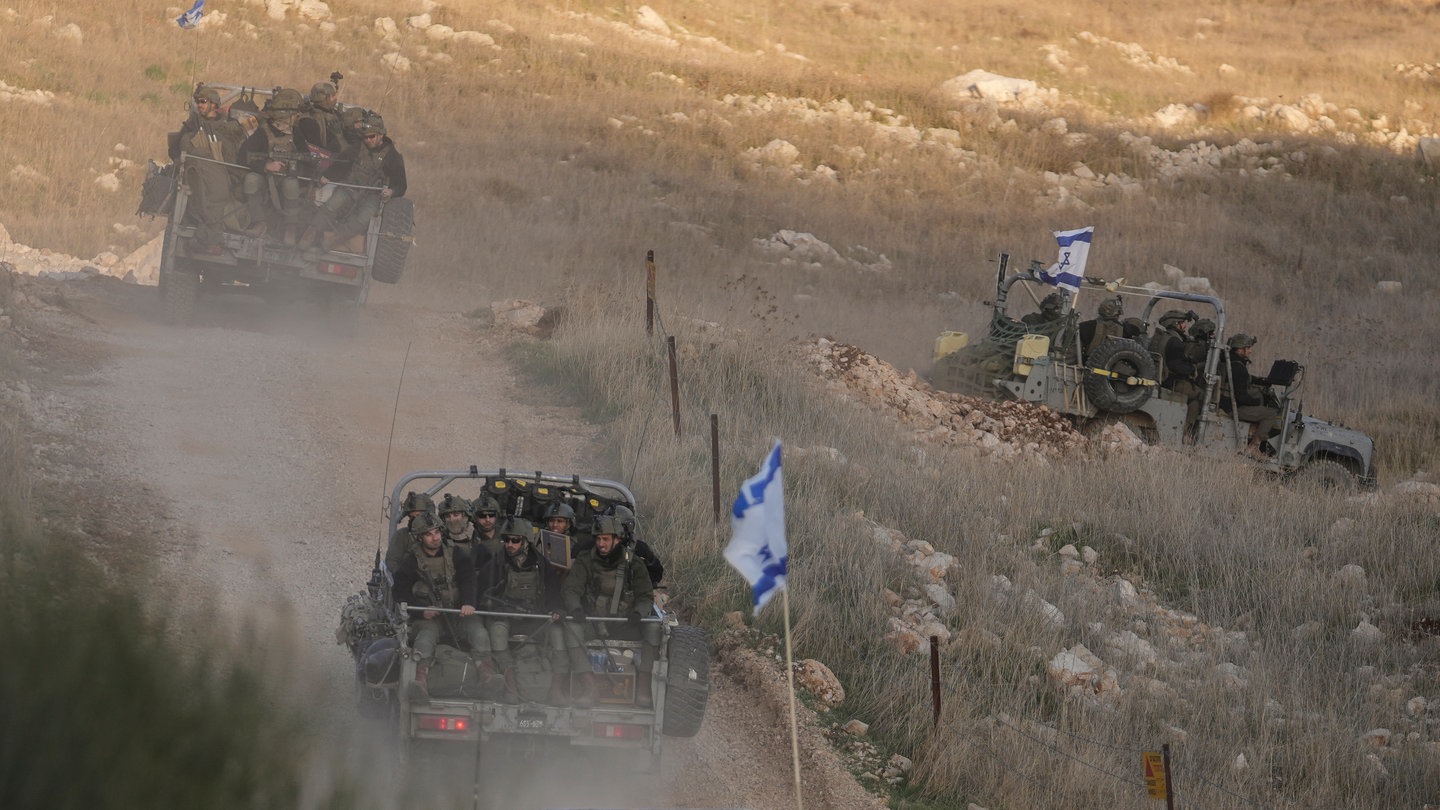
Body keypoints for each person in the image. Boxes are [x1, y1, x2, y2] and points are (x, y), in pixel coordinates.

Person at [560, 516, 661, 708]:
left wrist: (638, 614)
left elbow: (645, 596)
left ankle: (643, 687)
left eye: (605, 539)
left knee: (654, 628)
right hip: (593, 623)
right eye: (598, 539)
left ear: (617, 539)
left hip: (626, 624)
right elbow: (571, 589)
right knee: (570, 627)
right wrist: (576, 608)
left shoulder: (634, 563)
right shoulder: (585, 560)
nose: (601, 544)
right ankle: (589, 686)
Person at [390, 512, 492, 697]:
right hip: (430, 618)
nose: (435, 537)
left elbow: (468, 578)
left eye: (437, 532)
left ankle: (485, 674)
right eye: (429, 534)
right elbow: (399, 592)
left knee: (479, 633)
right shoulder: (412, 560)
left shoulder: (455, 553)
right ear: (420, 537)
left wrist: (468, 603)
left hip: (457, 613)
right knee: (425, 638)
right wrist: (422, 612)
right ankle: (421, 680)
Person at [483, 517, 566, 704]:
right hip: (505, 618)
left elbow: (554, 593)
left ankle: (556, 689)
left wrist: (557, 611)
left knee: (559, 634)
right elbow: (483, 595)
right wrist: (500, 608)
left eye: (515, 540)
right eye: (507, 540)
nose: (510, 545)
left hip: (536, 619)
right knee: (496, 632)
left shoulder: (542, 565)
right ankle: (510, 687)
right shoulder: (495, 564)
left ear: (526, 541)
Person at [299, 113, 406, 252]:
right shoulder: (358, 148)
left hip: (372, 195)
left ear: (381, 135)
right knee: (333, 204)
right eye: (365, 137)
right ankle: (309, 235)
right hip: (350, 188)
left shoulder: (391, 155)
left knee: (363, 218)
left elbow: (401, 183)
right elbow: (341, 164)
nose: (368, 140)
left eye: (371, 136)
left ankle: (334, 240)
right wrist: (328, 176)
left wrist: (391, 192)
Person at [169, 85, 245, 252]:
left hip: (222, 178)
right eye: (197, 102)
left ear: (214, 104)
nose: (199, 105)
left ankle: (206, 236)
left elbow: (235, 158)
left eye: (203, 101)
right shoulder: (192, 126)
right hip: (197, 177)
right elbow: (175, 151)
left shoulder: (228, 128)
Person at [237, 88, 313, 241]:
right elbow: (243, 155)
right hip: (265, 178)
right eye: (294, 114)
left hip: (286, 178)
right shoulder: (263, 132)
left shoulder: (296, 133)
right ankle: (259, 223)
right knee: (251, 180)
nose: (297, 116)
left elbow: (307, 158)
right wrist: (266, 166)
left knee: (291, 185)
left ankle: (290, 227)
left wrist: (294, 165)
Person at [1218, 333, 1279, 460]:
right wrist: (1256, 402)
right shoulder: (1238, 368)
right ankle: (1253, 447)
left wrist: (1262, 381)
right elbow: (1241, 397)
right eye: (1248, 348)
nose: (1250, 351)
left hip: (1225, 403)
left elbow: (1246, 379)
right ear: (1240, 349)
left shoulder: (1230, 361)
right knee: (1270, 414)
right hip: (1232, 408)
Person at [1151, 310, 1202, 440]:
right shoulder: (1175, 342)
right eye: (1183, 323)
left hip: (1160, 377)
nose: (1185, 326)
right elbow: (1176, 366)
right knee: (1202, 397)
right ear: (1176, 324)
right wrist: (1191, 369)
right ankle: (1185, 433)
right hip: (1172, 382)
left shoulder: (1163, 336)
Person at [384, 490, 435, 573]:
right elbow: (392, 562)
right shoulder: (402, 535)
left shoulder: (438, 535)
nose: (415, 520)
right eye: (411, 517)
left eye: (418, 516)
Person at [1077, 296, 1126, 361]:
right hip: (1112, 368)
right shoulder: (1125, 330)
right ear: (1117, 314)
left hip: (1087, 365)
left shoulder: (1085, 326)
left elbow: (1074, 353)